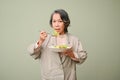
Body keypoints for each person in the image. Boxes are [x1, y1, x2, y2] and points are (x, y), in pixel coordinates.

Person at [27, 9, 87, 80]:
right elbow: (32, 52)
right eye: (54, 21)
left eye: (60, 21)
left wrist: (71, 54)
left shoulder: (74, 39)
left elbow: (83, 57)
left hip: (69, 77)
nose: (56, 25)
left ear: (66, 23)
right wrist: (40, 41)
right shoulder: (45, 39)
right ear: (51, 23)